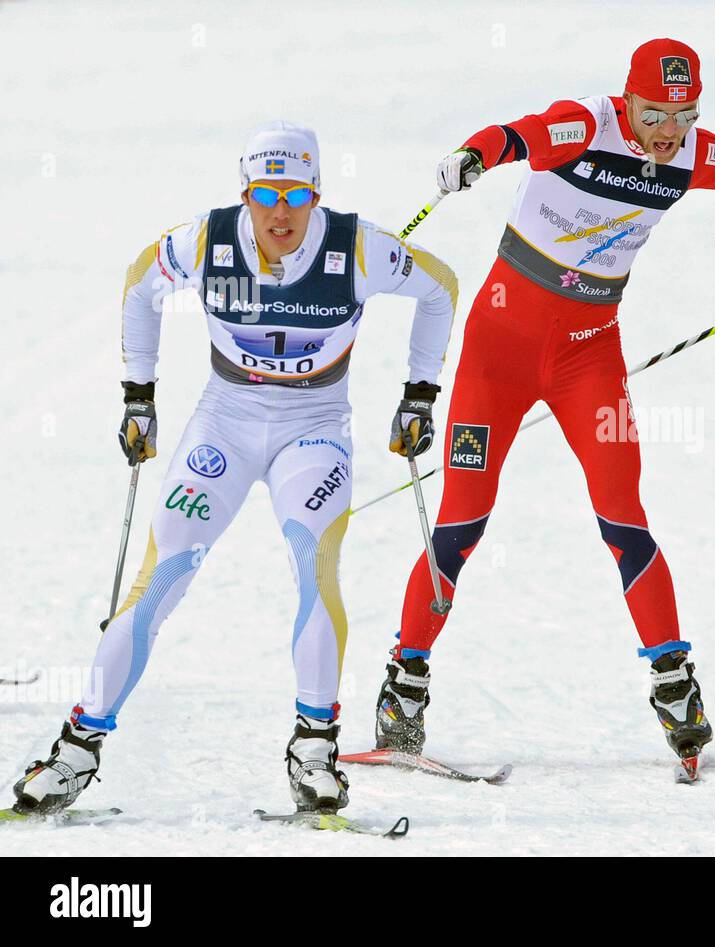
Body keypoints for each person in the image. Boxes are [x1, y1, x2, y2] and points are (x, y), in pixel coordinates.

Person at [373, 38, 715, 776]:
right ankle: (405, 681)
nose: (669, 129)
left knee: (623, 512)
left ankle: (674, 680)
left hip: (588, 356)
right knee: (461, 520)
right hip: (498, 353)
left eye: (685, 113)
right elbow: (519, 134)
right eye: (655, 112)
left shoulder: (694, 153)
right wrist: (473, 157)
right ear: (627, 99)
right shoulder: (585, 126)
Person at [12, 122, 458, 814]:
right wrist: (139, 393)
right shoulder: (207, 241)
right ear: (246, 192)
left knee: (315, 570)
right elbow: (139, 283)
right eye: (266, 194)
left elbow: (439, 288)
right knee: (161, 575)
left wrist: (420, 393)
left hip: (313, 430)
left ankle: (314, 747)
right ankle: (76, 749)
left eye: (297, 195)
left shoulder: (358, 247)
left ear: (316, 192)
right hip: (224, 422)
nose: (281, 213)